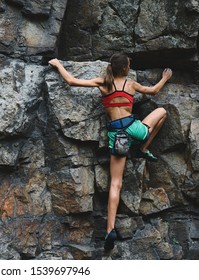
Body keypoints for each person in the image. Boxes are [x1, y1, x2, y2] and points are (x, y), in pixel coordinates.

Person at [48, 53, 172, 251]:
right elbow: (154, 91)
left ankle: (109, 230)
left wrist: (58, 64)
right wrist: (165, 78)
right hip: (135, 129)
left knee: (116, 183)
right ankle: (143, 148)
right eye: (129, 65)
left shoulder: (102, 83)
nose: (130, 67)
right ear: (124, 69)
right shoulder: (131, 84)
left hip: (117, 135)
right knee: (162, 112)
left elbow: (71, 81)